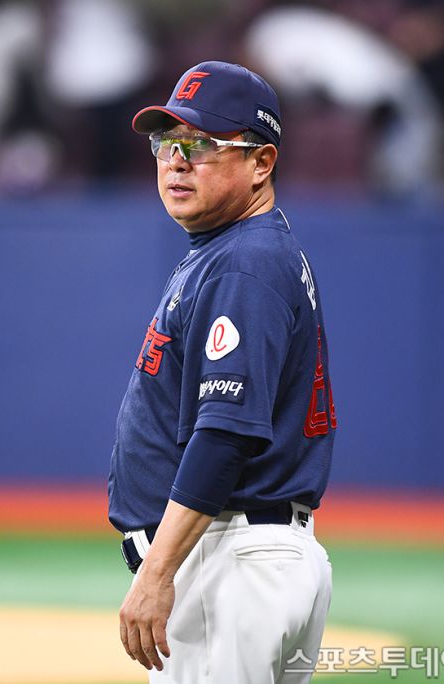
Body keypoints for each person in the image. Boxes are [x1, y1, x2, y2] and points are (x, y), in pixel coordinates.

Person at [108, 60, 336, 684]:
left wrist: (158, 571)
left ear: (261, 162)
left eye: (202, 144)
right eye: (168, 143)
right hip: (249, 558)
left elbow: (226, 432)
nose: (177, 162)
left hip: (230, 563)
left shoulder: (244, 264)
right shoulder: (243, 251)